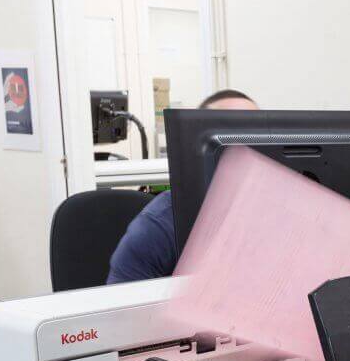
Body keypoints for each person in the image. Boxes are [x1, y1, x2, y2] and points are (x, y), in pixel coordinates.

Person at [105, 89, 258, 284]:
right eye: (231, 135)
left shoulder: (278, 215)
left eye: (253, 133)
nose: (244, 147)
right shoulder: (159, 226)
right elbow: (121, 308)